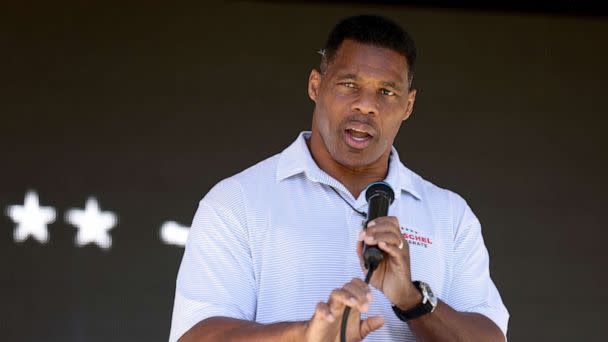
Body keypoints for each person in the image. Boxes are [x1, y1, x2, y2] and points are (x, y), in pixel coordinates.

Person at [169, 15, 509, 342]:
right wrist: (305, 336)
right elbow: (196, 335)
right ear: (316, 86)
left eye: (386, 92)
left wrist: (411, 299)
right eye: (349, 85)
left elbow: (490, 336)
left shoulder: (450, 215)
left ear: (408, 105)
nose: (366, 105)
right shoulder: (238, 201)